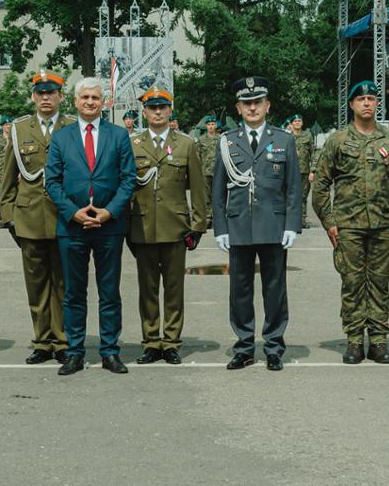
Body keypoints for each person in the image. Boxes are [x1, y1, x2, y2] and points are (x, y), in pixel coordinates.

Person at [44, 77, 136, 375]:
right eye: (84, 97)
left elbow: (128, 179)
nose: (90, 102)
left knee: (109, 292)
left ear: (103, 102)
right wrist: (73, 212)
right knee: (74, 293)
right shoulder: (61, 138)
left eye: (95, 97)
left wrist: (109, 213)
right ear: (75, 101)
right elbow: (52, 181)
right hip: (73, 227)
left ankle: (110, 351)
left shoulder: (119, 136)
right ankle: (74, 352)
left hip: (109, 226)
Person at [211, 75, 302, 372]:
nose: (252, 108)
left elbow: (293, 188)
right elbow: (218, 189)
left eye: (257, 102)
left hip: (273, 226)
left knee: (275, 289)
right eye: (246, 103)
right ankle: (245, 346)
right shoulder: (227, 142)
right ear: (238, 108)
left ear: (267, 105)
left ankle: (274, 346)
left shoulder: (284, 139)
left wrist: (292, 225)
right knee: (240, 290)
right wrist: (221, 228)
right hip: (238, 226)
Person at [311, 80, 389, 364]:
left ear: (377, 104)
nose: (366, 103)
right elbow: (321, 184)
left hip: (383, 224)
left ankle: (377, 340)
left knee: (379, 282)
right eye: (360, 99)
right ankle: (353, 340)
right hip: (348, 225)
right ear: (351, 104)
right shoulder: (337, 141)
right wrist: (329, 221)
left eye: (371, 99)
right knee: (352, 283)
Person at [125, 87, 210, 365]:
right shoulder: (132, 144)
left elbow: (198, 187)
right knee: (147, 288)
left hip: (176, 227)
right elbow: (125, 186)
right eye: (152, 108)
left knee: (174, 288)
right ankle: (151, 341)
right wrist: (125, 226)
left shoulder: (186, 144)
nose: (158, 112)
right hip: (142, 226)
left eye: (163, 107)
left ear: (170, 110)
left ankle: (171, 341)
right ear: (145, 112)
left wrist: (198, 225)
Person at [0, 71, 73, 364]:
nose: (45, 98)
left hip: (64, 217)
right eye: (40, 93)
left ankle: (63, 339)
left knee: (64, 283)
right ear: (33, 96)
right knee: (37, 283)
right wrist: (8, 215)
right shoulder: (19, 129)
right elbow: (7, 176)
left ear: (60, 97)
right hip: (29, 217)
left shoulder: (71, 127)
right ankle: (42, 341)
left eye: (51, 93)